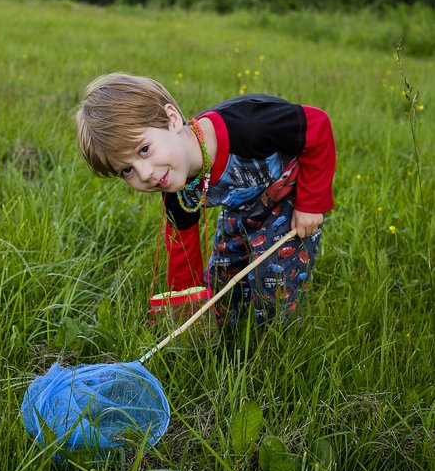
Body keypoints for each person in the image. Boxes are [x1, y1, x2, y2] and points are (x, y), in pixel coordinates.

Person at [75, 73, 335, 326]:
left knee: (274, 276)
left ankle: (272, 338)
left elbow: (317, 124)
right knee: (222, 278)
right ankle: (227, 330)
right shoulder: (175, 186)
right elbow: (181, 247)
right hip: (243, 207)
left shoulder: (248, 127)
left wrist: (311, 204)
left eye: (144, 150)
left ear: (172, 119)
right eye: (126, 170)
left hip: (290, 199)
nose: (145, 174)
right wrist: (185, 304)